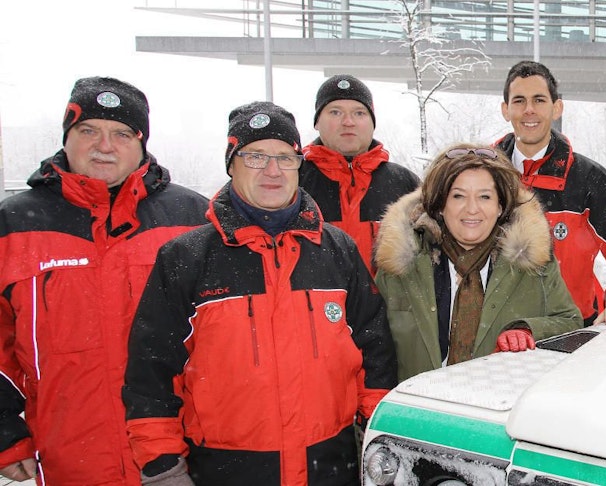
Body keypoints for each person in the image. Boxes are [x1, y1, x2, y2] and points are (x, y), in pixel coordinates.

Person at [122, 102, 396, 485]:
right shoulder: (187, 257)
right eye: (255, 156)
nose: (273, 170)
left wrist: (377, 432)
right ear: (231, 163)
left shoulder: (337, 250)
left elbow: (374, 346)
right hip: (227, 469)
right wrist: (162, 464)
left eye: (285, 157)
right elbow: (151, 370)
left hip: (330, 462)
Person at [0, 76, 209, 484]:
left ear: (141, 142)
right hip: (70, 457)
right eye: (88, 130)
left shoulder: (191, 218)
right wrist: (5, 433)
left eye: (121, 133)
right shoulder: (13, 225)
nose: (105, 145)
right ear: (67, 137)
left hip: (179, 457)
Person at [374, 143, 582, 382]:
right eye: (458, 196)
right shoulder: (401, 265)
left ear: (500, 205)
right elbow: (373, 344)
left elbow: (570, 323)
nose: (472, 209)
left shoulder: (534, 266)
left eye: (485, 196)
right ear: (441, 205)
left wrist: (528, 329)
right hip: (418, 410)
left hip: (498, 411)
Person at [494, 60, 606, 326]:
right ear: (506, 110)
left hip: (571, 328)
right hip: (495, 332)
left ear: (557, 108)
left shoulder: (588, 178)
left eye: (539, 100)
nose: (529, 110)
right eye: (519, 101)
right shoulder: (483, 175)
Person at [302, 74, 420, 275]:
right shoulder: (291, 182)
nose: (348, 122)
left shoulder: (405, 185)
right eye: (335, 112)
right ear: (316, 121)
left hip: (386, 306)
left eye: (359, 113)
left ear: (372, 123)